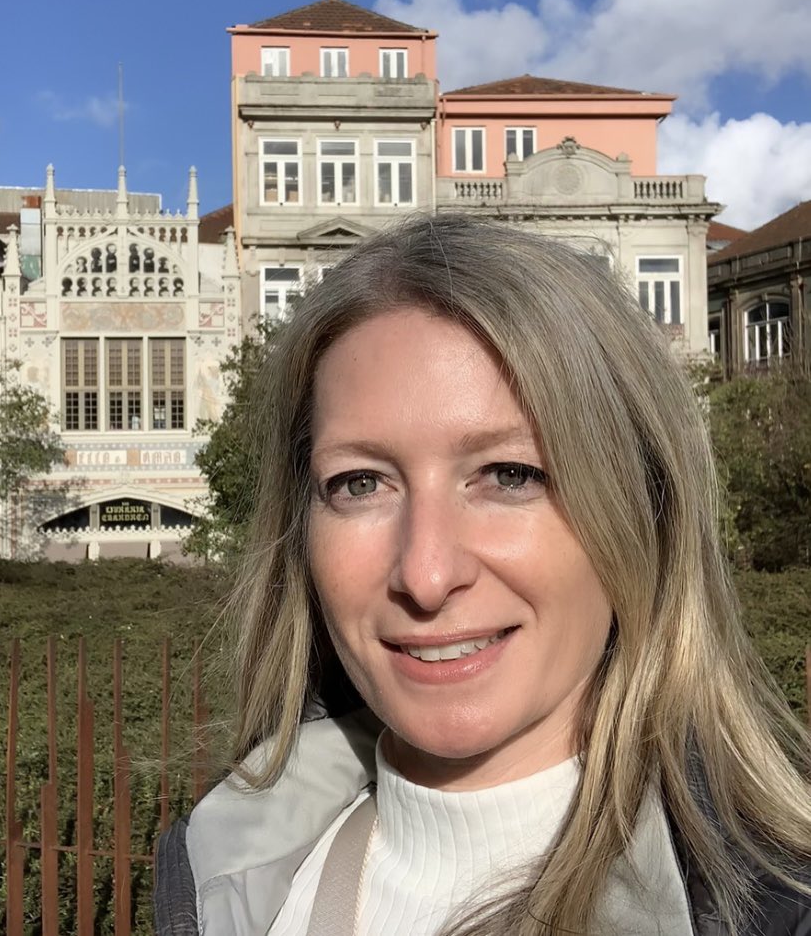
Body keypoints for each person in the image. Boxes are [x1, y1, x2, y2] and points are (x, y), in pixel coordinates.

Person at [155, 216, 811, 935]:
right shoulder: (229, 880)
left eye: (509, 474)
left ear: (644, 511)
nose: (427, 574)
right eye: (360, 483)